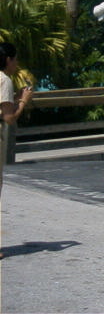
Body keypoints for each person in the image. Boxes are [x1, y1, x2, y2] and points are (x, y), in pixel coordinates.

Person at [1, 43, 34, 259]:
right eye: (15, 59)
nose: (17, 64)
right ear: (8, 60)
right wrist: (23, 101)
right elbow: (9, 117)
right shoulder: (4, 80)